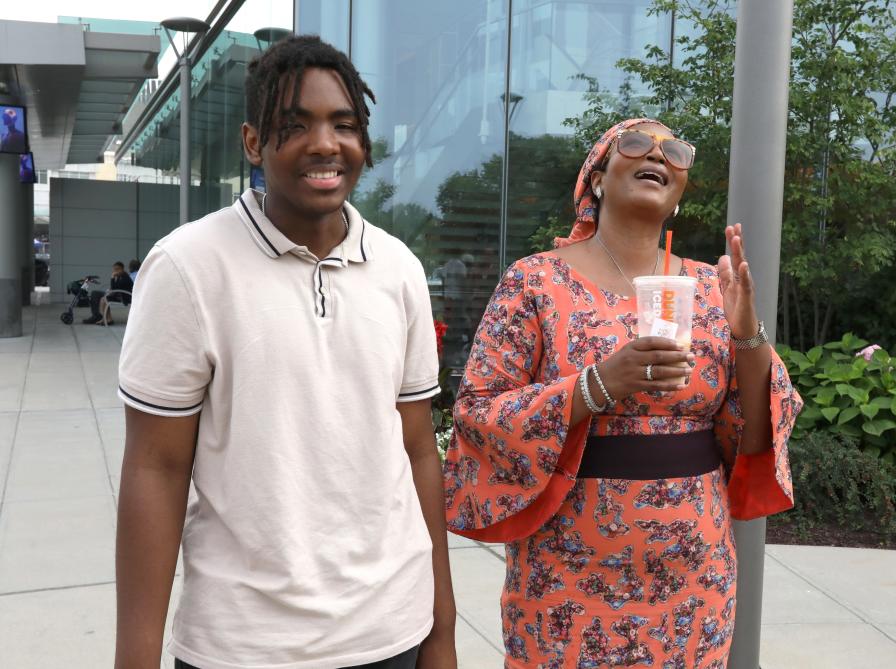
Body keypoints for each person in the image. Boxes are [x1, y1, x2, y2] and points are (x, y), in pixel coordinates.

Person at [114, 36, 457, 669]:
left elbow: (417, 451)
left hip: (392, 629)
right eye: (293, 126)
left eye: (344, 125)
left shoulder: (399, 268)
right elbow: (155, 471)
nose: (325, 144)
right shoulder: (187, 267)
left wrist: (442, 626)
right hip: (245, 645)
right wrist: (135, 656)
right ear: (252, 143)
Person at [443, 118, 802, 667]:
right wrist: (596, 385)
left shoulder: (711, 286)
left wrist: (747, 334)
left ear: (679, 193)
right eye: (635, 144)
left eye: (675, 152)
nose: (658, 155)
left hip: (694, 576)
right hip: (566, 571)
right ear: (598, 180)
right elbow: (477, 411)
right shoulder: (535, 281)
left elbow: (754, 433)